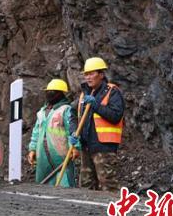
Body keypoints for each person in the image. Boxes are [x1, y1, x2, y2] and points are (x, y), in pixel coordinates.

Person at [78, 57, 125, 192]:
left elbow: (115, 116)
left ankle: (111, 212)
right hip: (86, 146)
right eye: (86, 74)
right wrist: (74, 133)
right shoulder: (84, 94)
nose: (88, 77)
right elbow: (73, 114)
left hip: (104, 147)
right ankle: (88, 213)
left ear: (101, 74)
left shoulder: (112, 91)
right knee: (86, 186)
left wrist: (95, 105)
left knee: (108, 185)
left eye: (92, 73)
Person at [27, 79, 79, 187]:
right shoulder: (41, 112)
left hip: (61, 155)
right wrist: (32, 149)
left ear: (60, 94)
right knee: (43, 186)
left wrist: (75, 146)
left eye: (53, 92)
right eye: (48, 92)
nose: (49, 94)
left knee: (65, 185)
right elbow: (36, 132)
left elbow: (72, 129)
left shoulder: (66, 110)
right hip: (42, 157)